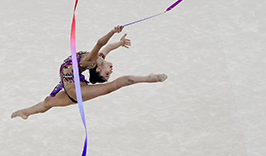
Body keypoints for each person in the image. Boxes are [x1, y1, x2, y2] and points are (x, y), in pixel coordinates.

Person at [11, 25, 168, 120]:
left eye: (107, 73)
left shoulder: (91, 60)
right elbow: (107, 47)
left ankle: (148, 78)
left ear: (98, 69)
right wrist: (119, 43)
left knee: (112, 86)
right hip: (72, 87)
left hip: (76, 91)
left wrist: (112, 32)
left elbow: (100, 43)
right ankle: (25, 112)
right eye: (109, 72)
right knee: (47, 102)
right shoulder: (99, 59)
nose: (111, 71)